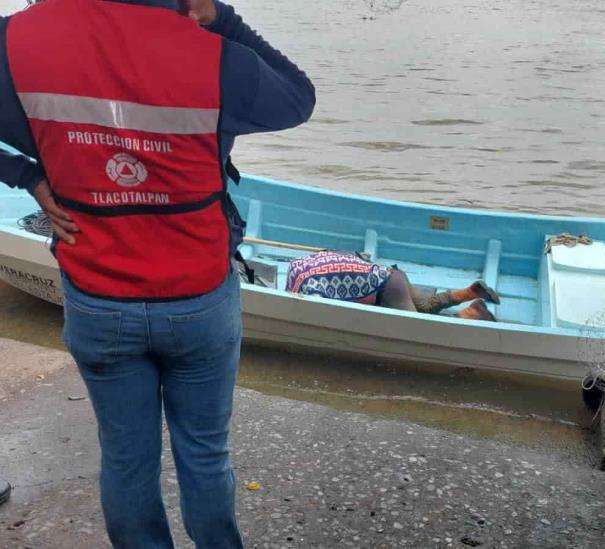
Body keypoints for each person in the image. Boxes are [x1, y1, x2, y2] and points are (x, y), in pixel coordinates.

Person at [0, 1, 315, 547]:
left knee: (125, 459)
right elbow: (298, 96)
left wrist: (24, 174)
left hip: (98, 294)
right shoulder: (215, 56)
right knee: (205, 454)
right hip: (198, 296)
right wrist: (220, 16)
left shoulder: (15, 40)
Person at [286, 250, 500, 321]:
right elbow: (357, 255)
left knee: (415, 325)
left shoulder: (309, 290)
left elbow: (325, 312)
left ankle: (471, 313)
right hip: (393, 274)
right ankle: (470, 292)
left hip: (387, 290)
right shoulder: (298, 264)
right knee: (424, 305)